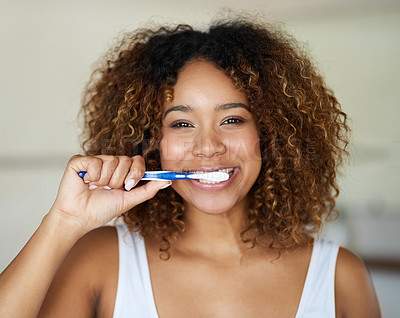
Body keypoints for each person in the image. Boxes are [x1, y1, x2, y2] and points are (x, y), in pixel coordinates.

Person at [0, 16, 381, 318]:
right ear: (152, 142)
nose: (209, 147)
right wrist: (64, 220)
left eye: (232, 120)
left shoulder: (339, 277)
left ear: (269, 134)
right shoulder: (99, 262)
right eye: (181, 123)